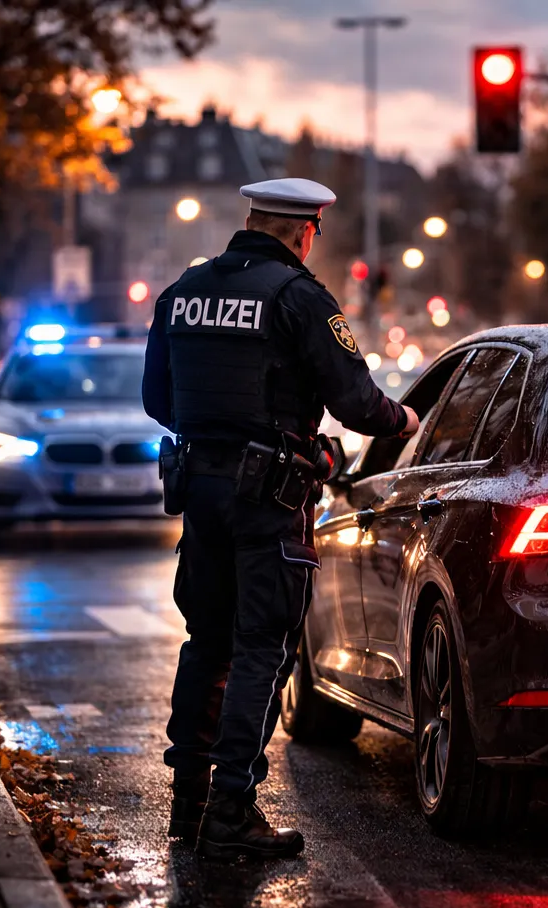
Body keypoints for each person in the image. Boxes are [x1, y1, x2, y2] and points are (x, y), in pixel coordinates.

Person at [142, 177, 419, 860]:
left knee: (206, 643)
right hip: (269, 501)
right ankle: (233, 809)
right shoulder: (298, 298)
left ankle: (190, 802)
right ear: (304, 230)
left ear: (250, 221)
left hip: (199, 490)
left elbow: (157, 398)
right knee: (263, 647)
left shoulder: (184, 292)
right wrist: (407, 420)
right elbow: (357, 403)